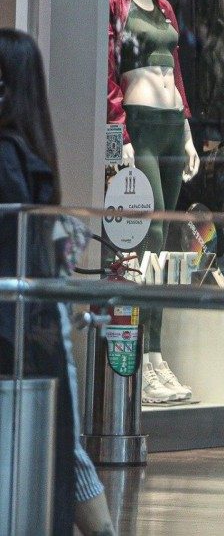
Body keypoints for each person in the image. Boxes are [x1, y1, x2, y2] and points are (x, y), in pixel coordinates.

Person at [0, 29, 114, 535]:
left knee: (59, 446)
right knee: (60, 444)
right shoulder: (26, 154)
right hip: (35, 326)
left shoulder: (11, 158)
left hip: (22, 329)